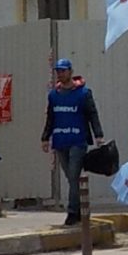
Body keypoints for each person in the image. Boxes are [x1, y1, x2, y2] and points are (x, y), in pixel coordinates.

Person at [43, 58, 103, 227]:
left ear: (70, 71)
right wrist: (45, 137)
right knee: (71, 178)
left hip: (78, 140)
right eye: (58, 71)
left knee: (74, 174)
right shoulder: (54, 95)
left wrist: (99, 135)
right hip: (61, 141)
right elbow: (50, 117)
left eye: (63, 70)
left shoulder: (83, 93)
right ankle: (81, 210)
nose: (60, 74)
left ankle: (72, 213)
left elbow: (92, 114)